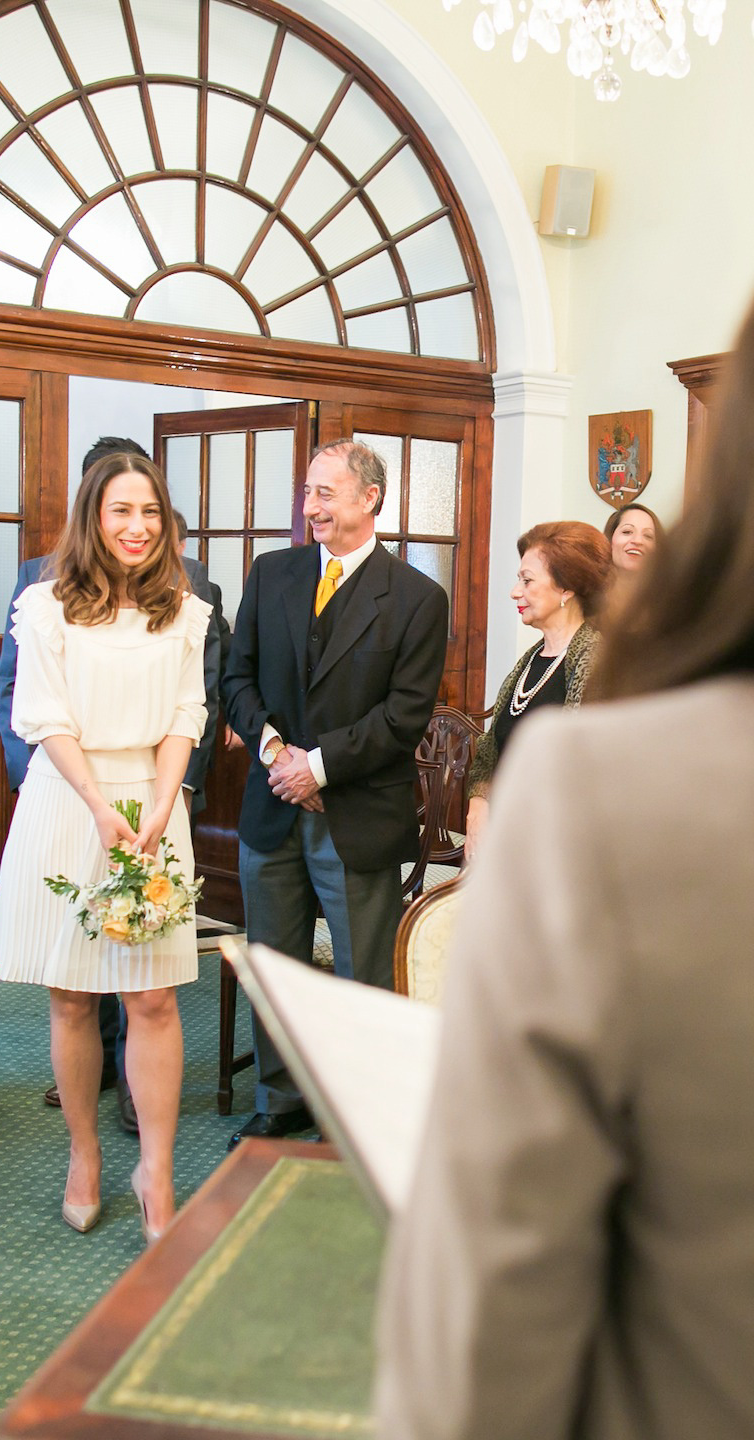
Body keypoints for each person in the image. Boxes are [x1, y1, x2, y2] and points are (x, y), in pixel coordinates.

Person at [374, 298, 754, 1440]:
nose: (520, 590)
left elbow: (497, 1284)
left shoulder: (625, 791)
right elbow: (491, 741)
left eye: (533, 574)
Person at [0, 453, 211, 1240]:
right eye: (121, 512)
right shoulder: (46, 606)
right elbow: (43, 717)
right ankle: (84, 1153)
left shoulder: (185, 610)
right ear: (93, 517)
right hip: (68, 801)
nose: (137, 528)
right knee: (73, 995)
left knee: (152, 997)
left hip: (152, 806)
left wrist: (159, 804)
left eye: (150, 513)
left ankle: (156, 1166)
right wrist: (97, 805)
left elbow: (188, 715)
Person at [222, 438, 448, 1147]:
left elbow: (403, 716)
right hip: (272, 810)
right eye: (309, 492)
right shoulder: (272, 574)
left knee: (360, 980)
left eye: (325, 493)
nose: (309, 506)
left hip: (356, 815)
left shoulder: (417, 598)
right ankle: (280, 1102)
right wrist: (275, 754)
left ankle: (356, 1115)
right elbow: (236, 680)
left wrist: (316, 769)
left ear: (369, 499)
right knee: (276, 969)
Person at [463, 521, 611, 862]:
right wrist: (478, 810)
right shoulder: (531, 659)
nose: (515, 591)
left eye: (527, 580)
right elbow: (489, 752)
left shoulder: (596, 657)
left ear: (566, 589)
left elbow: (581, 772)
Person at [603, 499, 663, 572]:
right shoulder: (588, 582)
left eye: (648, 536)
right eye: (627, 532)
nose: (637, 541)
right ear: (610, 537)